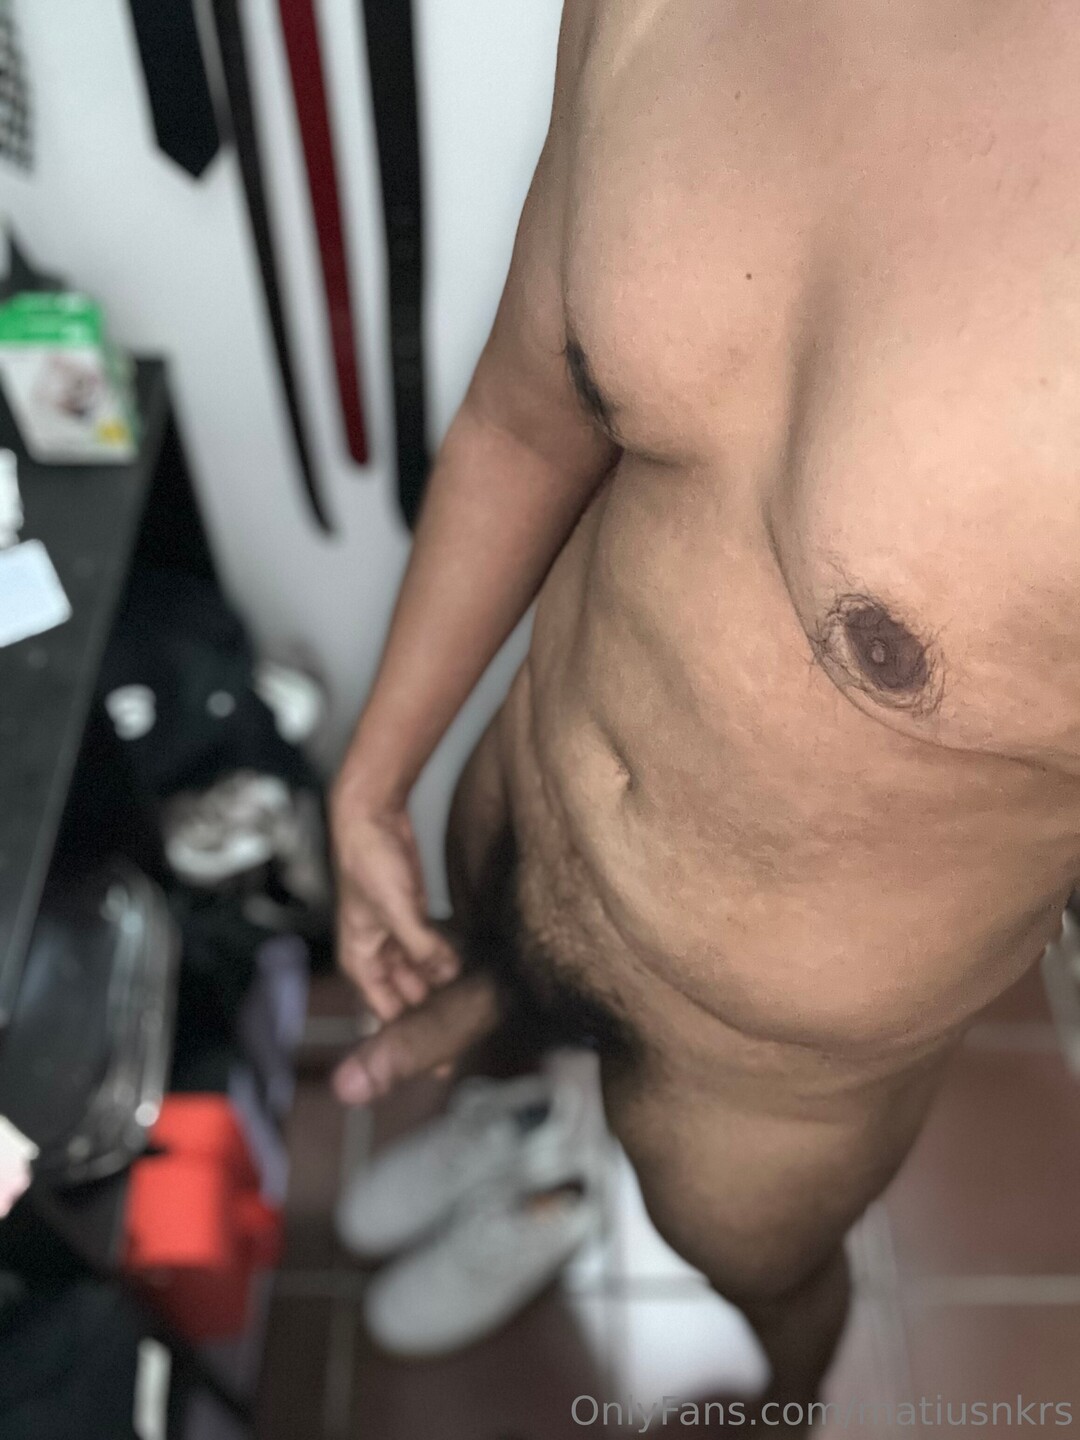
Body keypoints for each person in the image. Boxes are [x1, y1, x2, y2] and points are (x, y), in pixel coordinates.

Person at [330, 1, 1080, 1424]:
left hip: (765, 1075)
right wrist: (375, 779)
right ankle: (529, 1144)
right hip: (517, 810)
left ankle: (785, 1404)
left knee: (768, 1287)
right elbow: (524, 418)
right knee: (491, 1020)